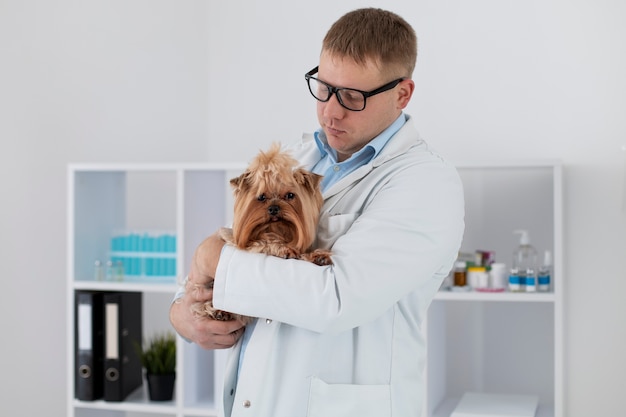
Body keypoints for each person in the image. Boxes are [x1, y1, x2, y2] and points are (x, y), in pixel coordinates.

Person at [170, 7, 464, 417]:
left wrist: (211, 257)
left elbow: (337, 299)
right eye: (323, 87)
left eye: (352, 96)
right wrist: (181, 310)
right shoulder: (296, 156)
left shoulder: (425, 184)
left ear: (402, 94)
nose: (331, 111)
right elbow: (243, 242)